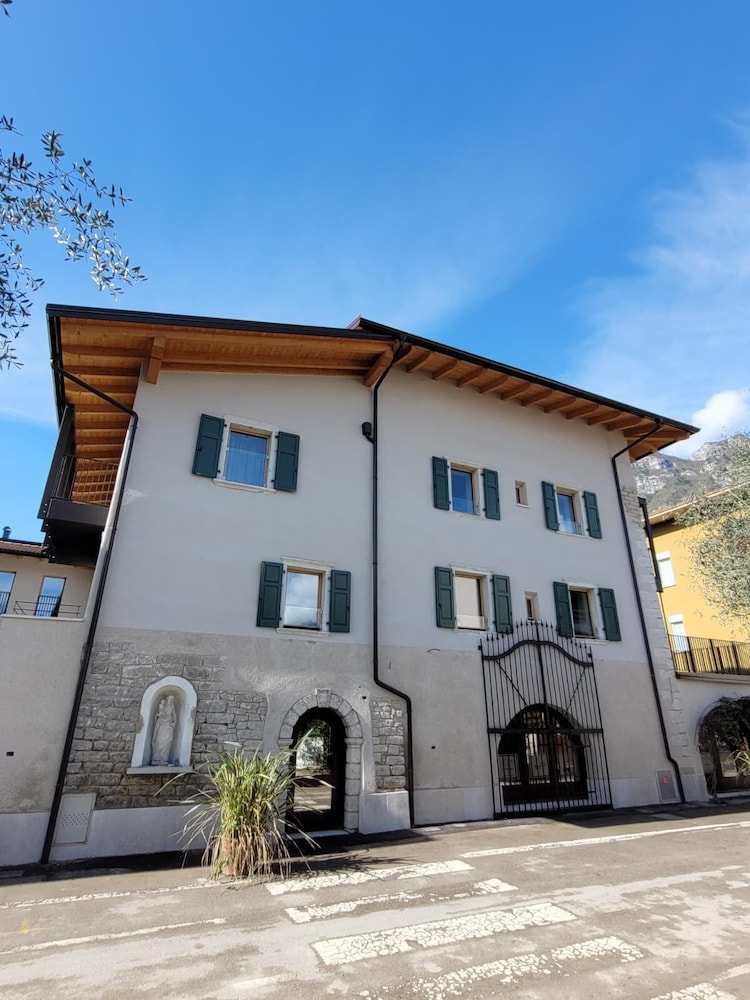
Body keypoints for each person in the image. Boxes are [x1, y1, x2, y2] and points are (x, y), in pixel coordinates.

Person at [151, 694, 177, 765]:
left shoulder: (172, 707)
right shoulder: (162, 706)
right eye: (170, 699)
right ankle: (156, 758)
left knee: (168, 740)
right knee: (160, 740)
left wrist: (174, 722)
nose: (170, 701)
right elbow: (158, 714)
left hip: (169, 725)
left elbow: (174, 715)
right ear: (167, 699)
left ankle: (164, 758)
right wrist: (160, 715)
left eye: (172, 700)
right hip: (162, 723)